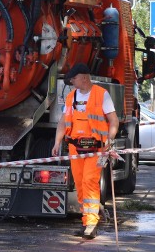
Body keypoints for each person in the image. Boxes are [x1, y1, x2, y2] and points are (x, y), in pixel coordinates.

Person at [51, 63, 119, 240]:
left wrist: (109, 142)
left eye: (73, 79)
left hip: (96, 149)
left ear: (83, 78)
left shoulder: (101, 94)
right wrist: (57, 142)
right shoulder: (71, 97)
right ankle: (86, 221)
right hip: (75, 148)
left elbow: (113, 121)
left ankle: (91, 224)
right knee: (80, 185)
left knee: (90, 181)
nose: (71, 82)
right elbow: (63, 122)